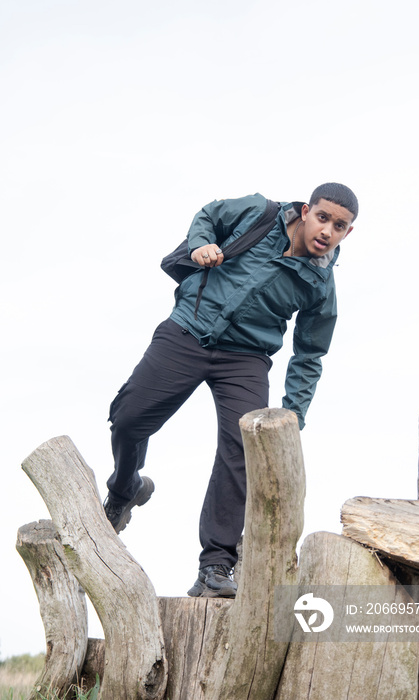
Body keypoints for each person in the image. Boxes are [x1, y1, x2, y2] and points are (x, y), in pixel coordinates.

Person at [103, 182, 358, 598]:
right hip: (187, 331)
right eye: (324, 218)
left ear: (349, 233)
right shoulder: (259, 212)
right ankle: (125, 488)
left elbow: (309, 356)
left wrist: (293, 414)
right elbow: (208, 214)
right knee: (129, 418)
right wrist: (202, 243)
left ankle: (216, 565)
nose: (328, 230)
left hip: (246, 359)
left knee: (243, 449)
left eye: (340, 226)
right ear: (307, 210)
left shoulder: (320, 286)